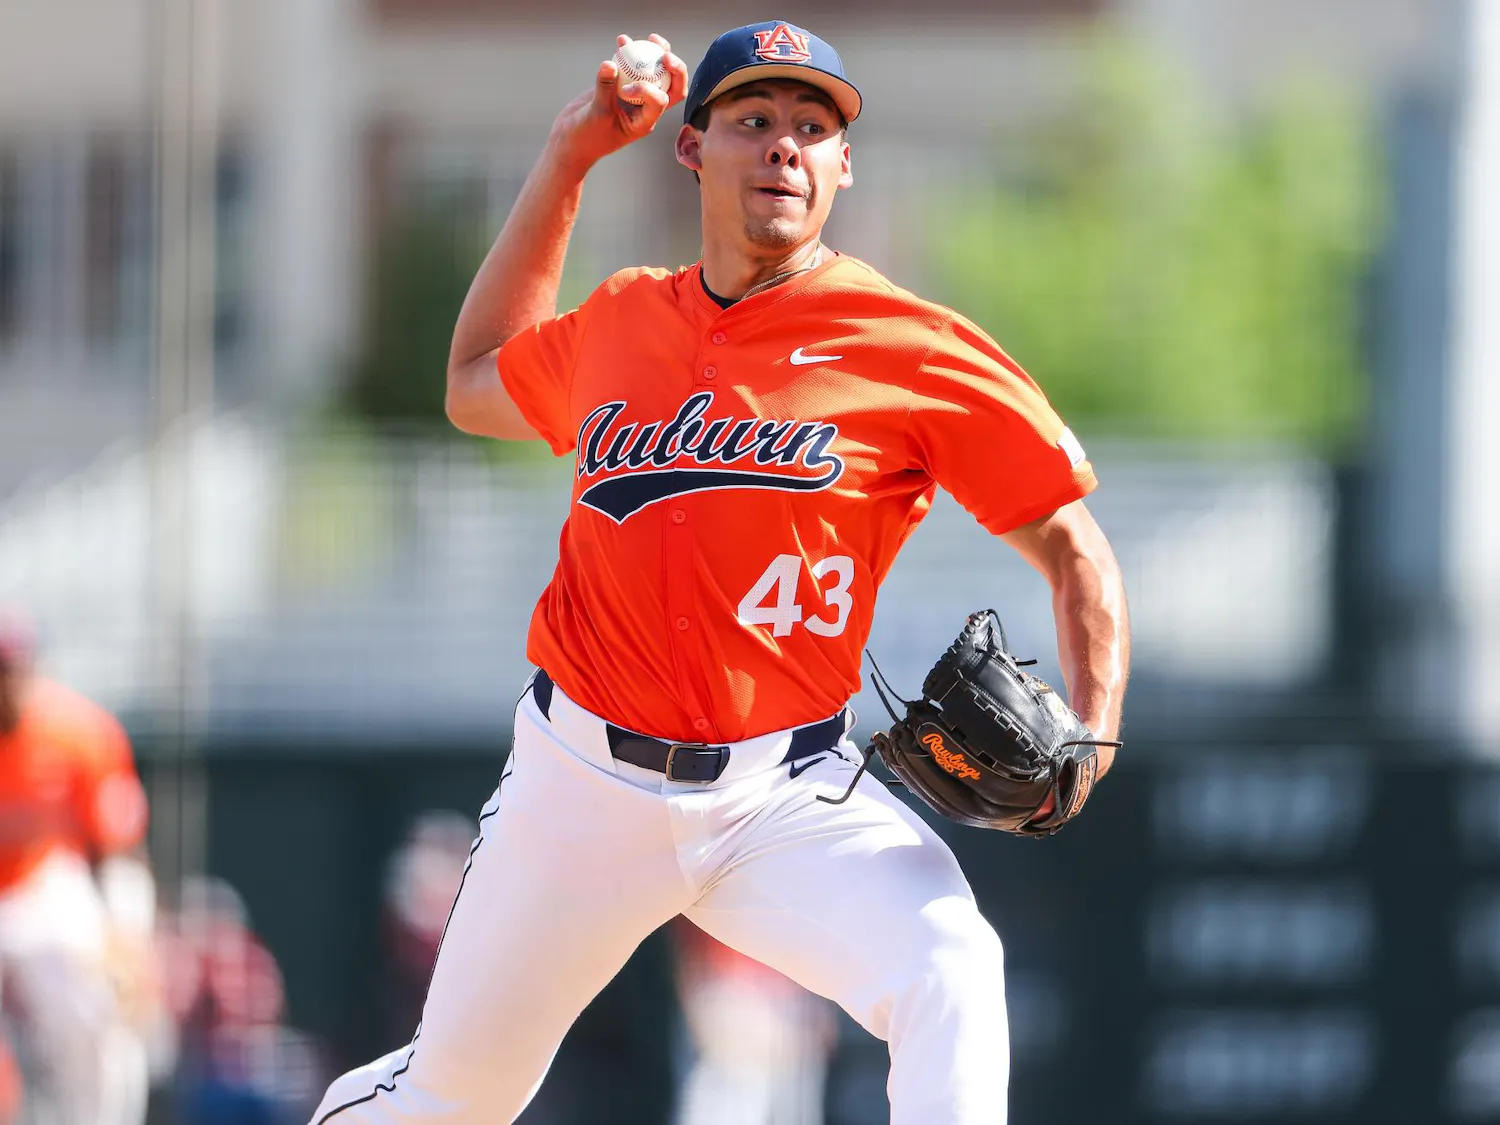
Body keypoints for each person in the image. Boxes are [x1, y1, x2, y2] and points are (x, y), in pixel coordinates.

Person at [310, 20, 1129, 1125]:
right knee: (455, 1098)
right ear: (693, 149)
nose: (784, 146)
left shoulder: (910, 347)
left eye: (812, 128)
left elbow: (1075, 546)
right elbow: (471, 383)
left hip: (783, 793)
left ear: (846, 166)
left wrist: (1094, 730)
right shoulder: (621, 321)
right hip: (580, 788)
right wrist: (569, 154)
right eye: (753, 120)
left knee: (951, 966)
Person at [0, 611, 157, 1125]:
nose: (6, 681)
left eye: (13, 667)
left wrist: (127, 937)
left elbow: (120, 850)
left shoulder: (78, 731)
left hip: (39, 888)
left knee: (103, 1014)